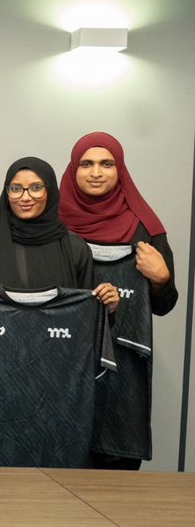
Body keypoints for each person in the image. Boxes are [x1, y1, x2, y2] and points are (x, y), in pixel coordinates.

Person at [59, 132, 177, 470]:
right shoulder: (51, 226)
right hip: (63, 364)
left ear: (120, 169)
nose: (96, 172)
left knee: (115, 482)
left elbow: (164, 304)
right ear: (73, 169)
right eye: (87, 164)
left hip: (123, 375)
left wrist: (162, 279)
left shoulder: (147, 229)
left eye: (106, 164)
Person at [0, 157, 119, 313]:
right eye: (16, 189)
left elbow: (86, 314)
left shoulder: (75, 248)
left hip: (58, 344)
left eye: (36, 188)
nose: (25, 197)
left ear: (50, 191)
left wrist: (107, 306)